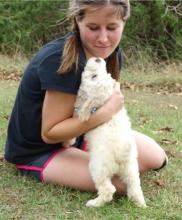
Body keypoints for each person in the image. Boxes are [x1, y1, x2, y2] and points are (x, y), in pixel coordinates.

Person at [4, 0, 168, 193]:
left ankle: (81, 154)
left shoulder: (111, 54)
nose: (104, 38)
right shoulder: (62, 60)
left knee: (156, 158)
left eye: (112, 27)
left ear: (124, 22)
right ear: (77, 20)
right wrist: (106, 112)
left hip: (80, 135)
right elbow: (50, 133)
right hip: (39, 150)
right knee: (121, 183)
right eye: (93, 27)